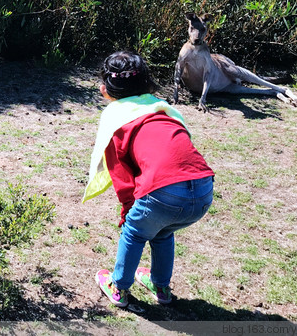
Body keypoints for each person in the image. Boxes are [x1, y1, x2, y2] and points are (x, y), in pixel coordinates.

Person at [83, 50, 215, 308]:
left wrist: (127, 210)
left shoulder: (117, 118)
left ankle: (118, 287)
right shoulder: (163, 108)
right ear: (146, 82)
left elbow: (122, 176)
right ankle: (161, 288)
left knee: (134, 231)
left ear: (105, 90)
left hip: (163, 192)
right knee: (162, 232)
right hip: (202, 190)